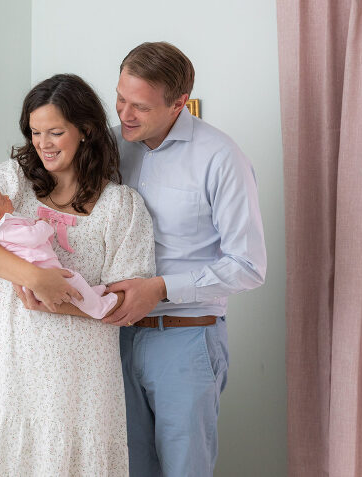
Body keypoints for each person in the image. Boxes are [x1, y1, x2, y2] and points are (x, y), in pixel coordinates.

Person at [0, 73, 155, 476]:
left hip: (78, 381)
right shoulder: (9, 182)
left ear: (86, 131)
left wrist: (59, 303)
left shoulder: (121, 207)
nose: (43, 143)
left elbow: (130, 302)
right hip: (4, 367)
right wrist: (35, 278)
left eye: (55, 132)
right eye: (35, 132)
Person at [102, 41, 267, 476]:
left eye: (140, 106)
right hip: (113, 340)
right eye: (120, 98)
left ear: (179, 103)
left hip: (186, 341)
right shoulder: (111, 148)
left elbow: (248, 265)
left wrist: (159, 288)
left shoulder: (221, 158)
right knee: (124, 468)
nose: (124, 114)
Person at [0, 184, 120, 319]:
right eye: (2, 199)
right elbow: (33, 238)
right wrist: (43, 224)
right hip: (41, 273)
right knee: (73, 279)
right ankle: (99, 308)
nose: (7, 197)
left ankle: (91, 295)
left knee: (73, 282)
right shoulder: (3, 229)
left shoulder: (4, 226)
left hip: (42, 268)